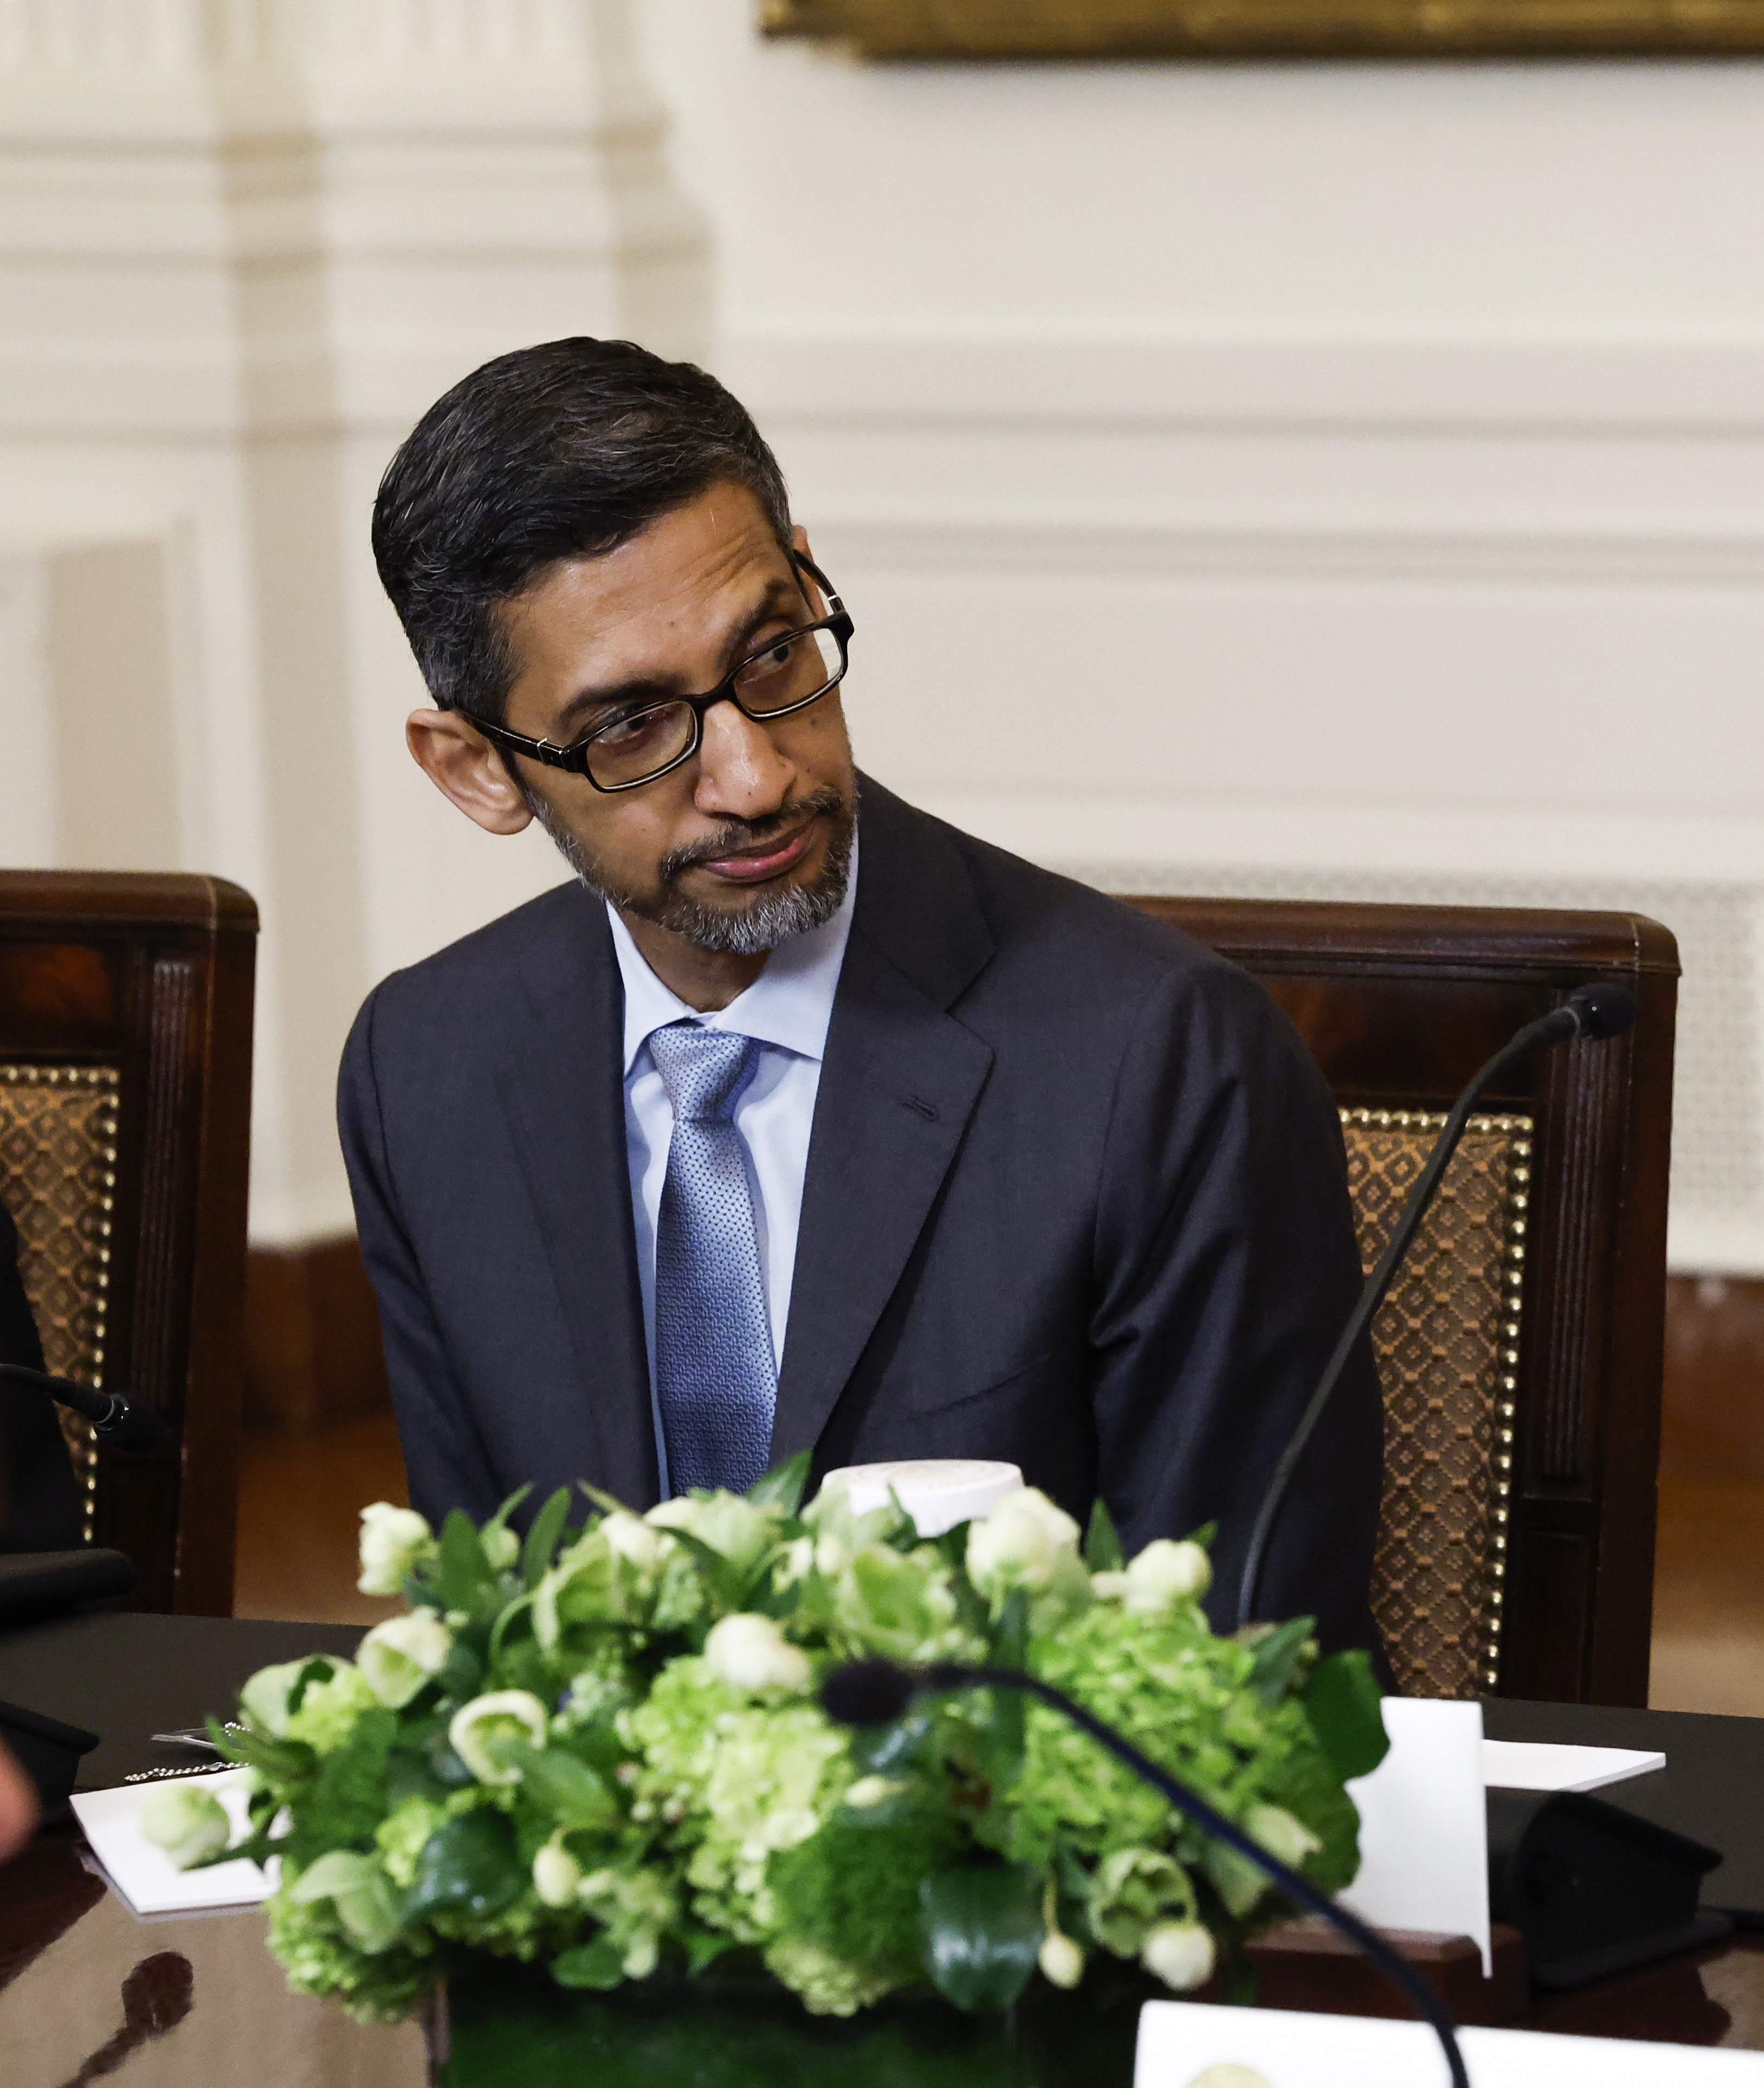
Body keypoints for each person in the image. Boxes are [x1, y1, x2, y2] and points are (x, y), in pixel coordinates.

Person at [342, 339, 1380, 1640]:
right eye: (633, 729)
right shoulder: (429, 1066)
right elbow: (492, 1634)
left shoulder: (1154, 1060)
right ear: (476, 771)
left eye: (772, 655)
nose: (754, 775)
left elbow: (1238, 1664)